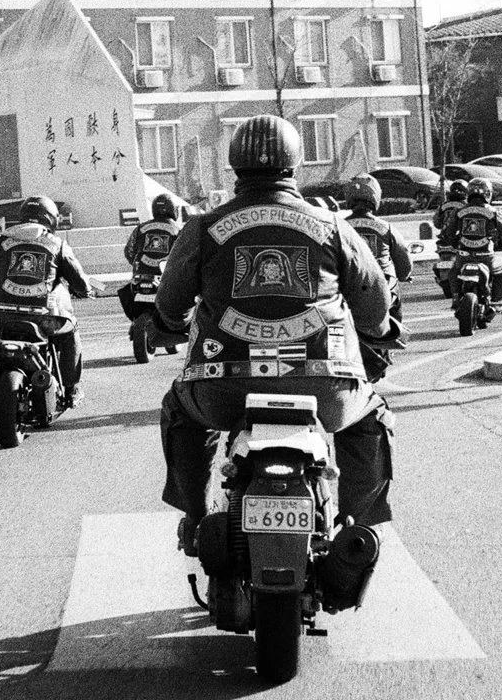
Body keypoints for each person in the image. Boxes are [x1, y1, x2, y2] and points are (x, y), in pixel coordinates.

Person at [152, 116, 401, 547]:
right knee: (370, 417)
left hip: (221, 388)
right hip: (325, 386)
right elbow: (374, 305)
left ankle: (195, 519)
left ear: (234, 165)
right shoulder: (333, 226)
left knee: (180, 412)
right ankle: (357, 533)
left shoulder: (203, 228)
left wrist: (168, 325)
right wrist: (379, 332)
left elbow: (170, 306)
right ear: (296, 163)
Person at [0, 195, 93, 406]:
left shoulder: (3, 240)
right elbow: (78, 279)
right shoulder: (57, 243)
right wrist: (85, 290)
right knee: (71, 332)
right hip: (43, 316)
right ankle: (71, 388)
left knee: (0, 339)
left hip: (2, 313)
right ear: (51, 218)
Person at [438, 178, 502, 309]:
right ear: (488, 194)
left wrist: (455, 243)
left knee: (453, 272)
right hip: (486, 257)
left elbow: (448, 233)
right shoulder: (493, 212)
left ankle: (456, 298)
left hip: (464, 256)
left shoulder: (458, 211)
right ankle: (496, 303)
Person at [344, 174, 413, 327]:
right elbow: (402, 256)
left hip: (348, 284)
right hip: (381, 283)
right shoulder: (386, 227)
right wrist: (404, 275)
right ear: (375, 197)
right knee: (395, 304)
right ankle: (394, 335)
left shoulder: (339, 226)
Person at [119, 194, 185, 320]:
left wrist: (140, 265)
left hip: (141, 278)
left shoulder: (140, 228)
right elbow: (186, 255)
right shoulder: (179, 230)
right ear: (172, 209)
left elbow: (129, 252)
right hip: (167, 280)